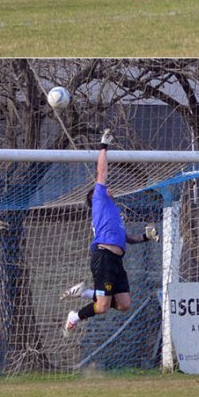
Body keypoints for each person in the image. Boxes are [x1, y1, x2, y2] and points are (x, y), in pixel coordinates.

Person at [63, 129, 160, 335]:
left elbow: (127, 240)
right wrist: (103, 146)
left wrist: (146, 237)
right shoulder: (99, 198)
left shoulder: (115, 213)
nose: (110, 188)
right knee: (103, 306)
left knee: (124, 304)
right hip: (104, 257)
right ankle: (75, 316)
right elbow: (101, 172)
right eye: (105, 188)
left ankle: (85, 293)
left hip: (116, 261)